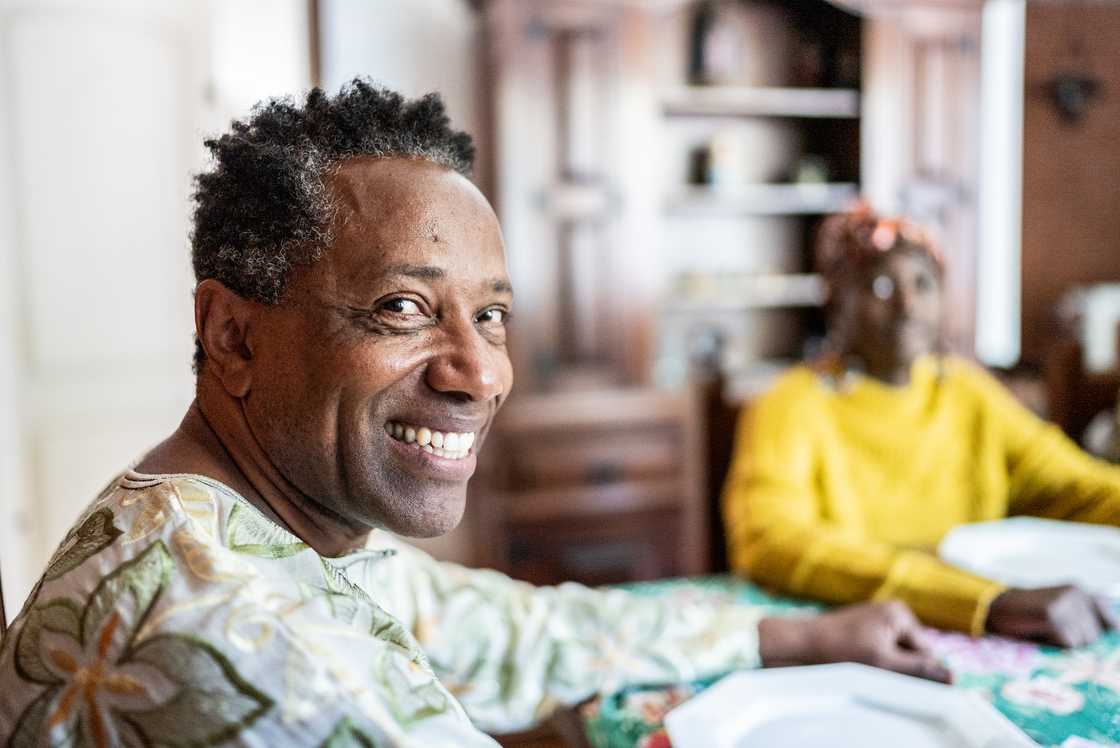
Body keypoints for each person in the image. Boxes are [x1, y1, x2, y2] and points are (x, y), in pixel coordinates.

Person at [0, 83, 947, 748]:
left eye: (489, 315)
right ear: (233, 336)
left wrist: (804, 636)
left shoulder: (260, 526)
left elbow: (508, 632)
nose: (482, 373)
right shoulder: (232, 636)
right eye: (404, 309)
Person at [723, 204, 1120, 648]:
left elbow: (1078, 484)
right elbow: (771, 541)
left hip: (977, 620)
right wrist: (985, 601)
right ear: (837, 300)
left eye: (923, 283)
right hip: (856, 634)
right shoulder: (793, 402)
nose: (907, 305)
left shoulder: (967, 392)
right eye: (880, 285)